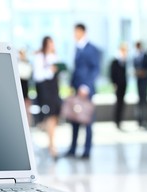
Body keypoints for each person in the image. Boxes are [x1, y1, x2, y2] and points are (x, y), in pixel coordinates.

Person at [65, 23, 101, 159]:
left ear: (83, 32)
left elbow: (95, 69)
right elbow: (76, 70)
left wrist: (86, 86)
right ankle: (73, 149)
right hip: (76, 90)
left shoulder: (92, 49)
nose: (75, 34)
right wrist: (71, 86)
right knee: (74, 120)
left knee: (87, 121)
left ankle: (86, 151)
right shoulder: (77, 49)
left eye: (77, 32)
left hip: (86, 91)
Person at [33, 36, 62, 160]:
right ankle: (51, 145)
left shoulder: (54, 56)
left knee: (54, 117)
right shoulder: (39, 57)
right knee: (50, 116)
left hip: (54, 90)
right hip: (45, 91)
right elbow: (38, 76)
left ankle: (50, 141)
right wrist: (50, 70)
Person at [133, 41, 147, 130]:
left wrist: (144, 72)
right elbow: (135, 67)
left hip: (145, 80)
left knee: (145, 100)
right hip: (139, 81)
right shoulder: (135, 57)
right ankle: (140, 121)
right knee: (140, 101)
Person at [110, 43, 128, 130]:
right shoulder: (115, 61)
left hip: (123, 85)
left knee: (121, 103)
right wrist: (114, 83)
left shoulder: (124, 61)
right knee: (118, 103)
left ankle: (119, 120)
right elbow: (112, 73)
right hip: (118, 85)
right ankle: (117, 121)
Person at [18, 48, 33, 125]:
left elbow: (27, 74)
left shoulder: (27, 64)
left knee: (27, 109)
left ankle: (28, 125)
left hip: (25, 89)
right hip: (19, 88)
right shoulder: (17, 63)